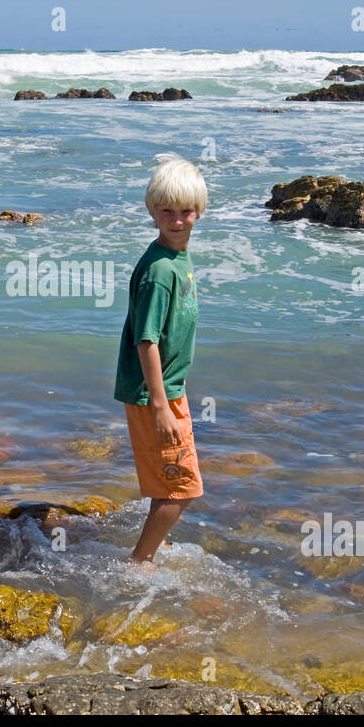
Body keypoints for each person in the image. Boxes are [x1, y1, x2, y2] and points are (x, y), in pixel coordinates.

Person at [114, 152, 207, 565]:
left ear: (199, 212)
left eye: (186, 211)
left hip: (167, 388)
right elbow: (145, 340)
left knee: (168, 479)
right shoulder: (159, 272)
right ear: (152, 212)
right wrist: (159, 405)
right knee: (184, 489)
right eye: (167, 211)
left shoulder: (177, 259)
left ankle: (151, 545)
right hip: (157, 394)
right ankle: (140, 561)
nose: (177, 220)